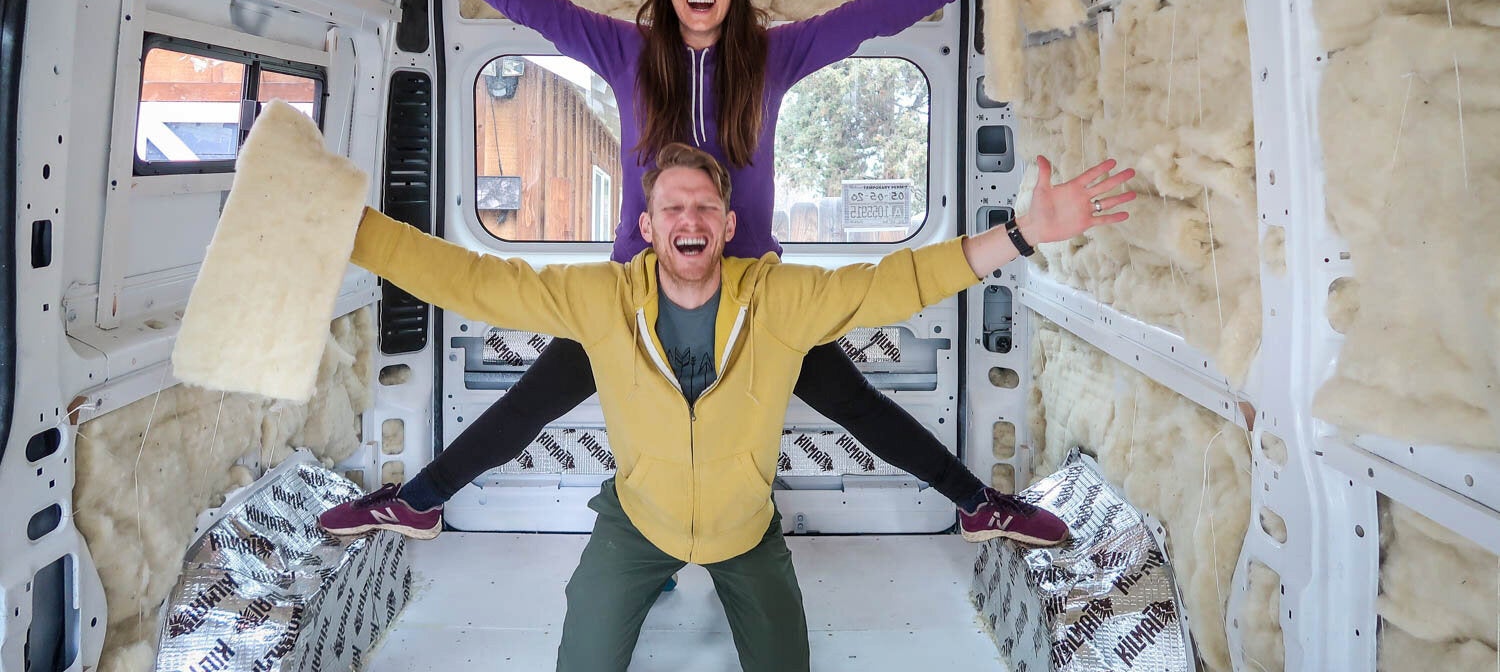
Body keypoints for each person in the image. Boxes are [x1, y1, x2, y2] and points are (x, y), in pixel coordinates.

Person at [321, 0, 1043, 543]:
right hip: (636, 291)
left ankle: (978, 505)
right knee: (527, 404)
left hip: (754, 297)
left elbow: (867, 18)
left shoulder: (772, 55)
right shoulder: (627, 51)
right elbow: (534, 8)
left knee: (858, 406)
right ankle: (419, 502)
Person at [329, 143, 1136, 672]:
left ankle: (973, 504)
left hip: (745, 529)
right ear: (646, 227)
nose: (689, 219)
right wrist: (344, 224)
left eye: (704, 208)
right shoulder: (598, 300)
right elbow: (470, 280)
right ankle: (426, 502)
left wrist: (1022, 235)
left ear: (729, 225)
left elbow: (900, 282)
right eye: (672, 208)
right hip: (637, 525)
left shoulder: (779, 299)